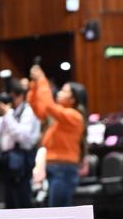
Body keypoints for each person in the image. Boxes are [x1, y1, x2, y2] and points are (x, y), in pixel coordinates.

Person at [27, 64, 86, 206]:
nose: (59, 92)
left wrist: (42, 80)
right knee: (57, 209)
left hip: (64, 169)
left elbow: (48, 106)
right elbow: (38, 108)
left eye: (65, 91)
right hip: (55, 168)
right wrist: (35, 85)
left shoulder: (74, 116)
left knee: (59, 210)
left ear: (73, 99)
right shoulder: (59, 116)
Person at [0, 79, 41, 208]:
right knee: (10, 201)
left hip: (22, 160)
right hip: (8, 160)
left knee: (22, 199)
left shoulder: (28, 111)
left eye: (11, 97)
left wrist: (7, 115)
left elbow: (22, 136)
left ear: (20, 95)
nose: (9, 101)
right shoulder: (11, 112)